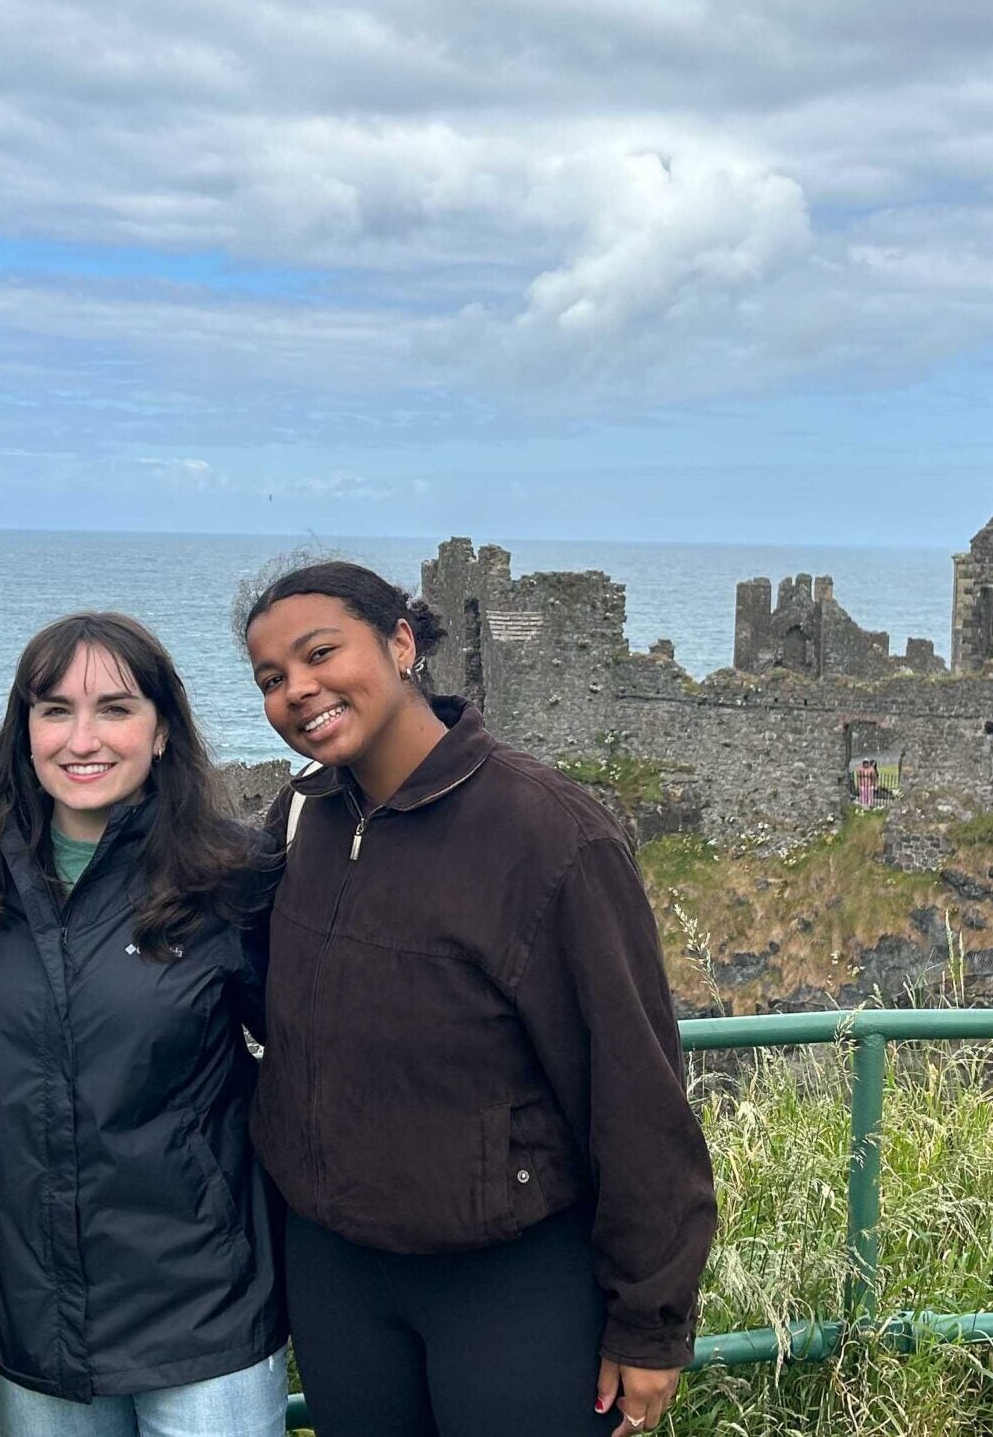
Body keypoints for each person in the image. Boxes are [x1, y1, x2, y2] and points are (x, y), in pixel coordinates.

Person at [241, 561, 718, 1437]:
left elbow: (634, 1091)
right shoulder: (302, 819)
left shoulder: (548, 832)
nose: (298, 690)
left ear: (401, 643)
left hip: (507, 1282)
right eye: (272, 679)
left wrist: (650, 1325)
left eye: (319, 654)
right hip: (341, 1276)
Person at [0, 612, 286, 1436]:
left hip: (205, 1312)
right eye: (55, 709)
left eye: (116, 708)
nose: (82, 737)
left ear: (163, 730)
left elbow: (314, 1059)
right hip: (36, 1322)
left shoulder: (231, 880)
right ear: (23, 729)